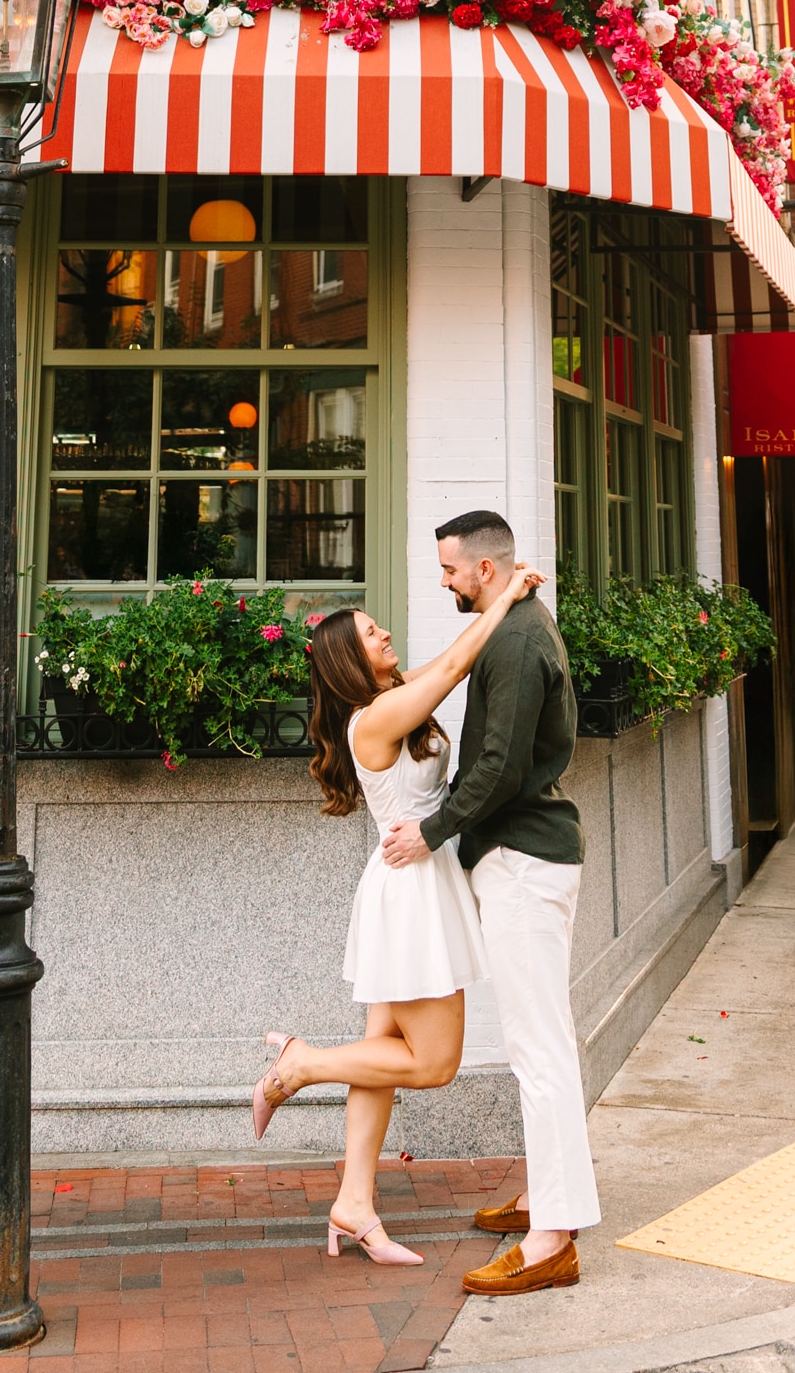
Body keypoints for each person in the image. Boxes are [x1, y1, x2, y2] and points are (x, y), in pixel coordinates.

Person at [252, 560, 540, 1265]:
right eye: (373, 634)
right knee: (434, 1064)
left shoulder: (396, 694)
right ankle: (301, 1063)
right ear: (352, 661)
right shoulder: (374, 717)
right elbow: (455, 665)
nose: (387, 636)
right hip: (409, 895)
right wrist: (504, 596)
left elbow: (444, 675)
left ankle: (354, 1204)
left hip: (415, 882)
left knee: (378, 1062)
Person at [381, 509, 601, 1297]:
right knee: (540, 1041)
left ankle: (552, 1240)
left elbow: (503, 763)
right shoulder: (518, 622)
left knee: (538, 1047)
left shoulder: (514, 640)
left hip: (521, 860)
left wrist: (431, 831)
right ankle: (548, 1198)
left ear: (485, 567)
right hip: (526, 859)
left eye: (449, 569)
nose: (443, 580)